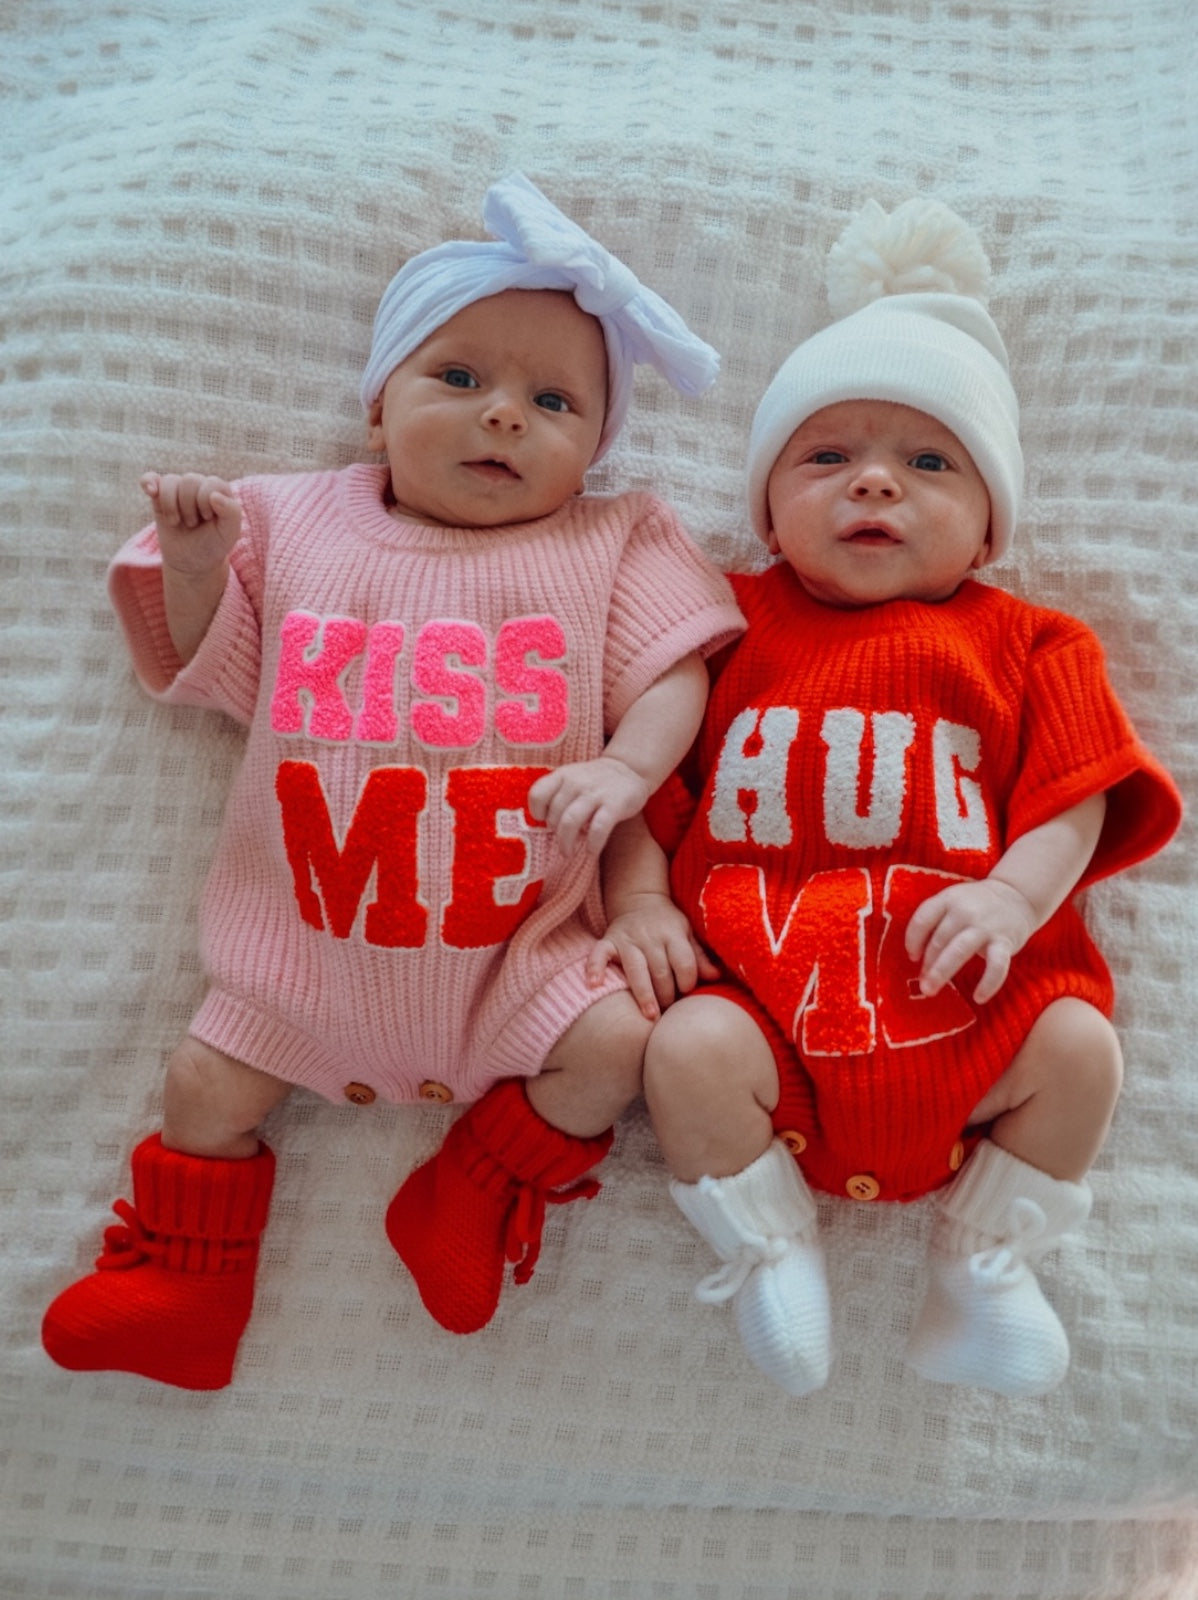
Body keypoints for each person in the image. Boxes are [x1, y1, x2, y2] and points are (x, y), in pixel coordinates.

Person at [41, 173, 744, 1390]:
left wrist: (629, 769)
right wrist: (202, 567)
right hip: (300, 960)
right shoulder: (295, 523)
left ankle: (474, 1184)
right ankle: (186, 1288)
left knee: (623, 1041)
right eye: (457, 378)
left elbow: (673, 670)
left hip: (518, 961)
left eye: (554, 401)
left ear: (593, 453)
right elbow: (221, 671)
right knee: (202, 1082)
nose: (504, 415)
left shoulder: (608, 539)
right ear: (377, 410)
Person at [594, 197, 1182, 1399]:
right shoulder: (721, 625)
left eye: (928, 463)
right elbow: (648, 778)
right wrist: (642, 903)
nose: (873, 482)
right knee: (684, 1049)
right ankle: (768, 1252)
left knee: (1080, 1050)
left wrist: (1013, 898)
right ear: (767, 510)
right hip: (763, 1014)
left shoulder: (1031, 643)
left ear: (987, 529)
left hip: (975, 1014)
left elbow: (1075, 795)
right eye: (826, 458)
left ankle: (984, 1265)